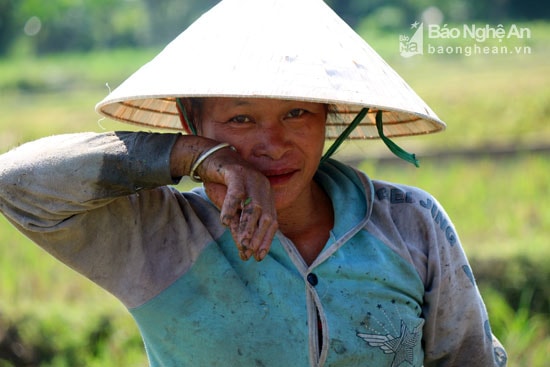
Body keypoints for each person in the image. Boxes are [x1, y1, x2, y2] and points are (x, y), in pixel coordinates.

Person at [0, 0, 507, 366]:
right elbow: (14, 180)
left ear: (327, 117)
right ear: (189, 118)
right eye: (241, 120)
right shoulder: (161, 236)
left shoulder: (411, 225)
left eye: (296, 113)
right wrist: (200, 158)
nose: (273, 144)